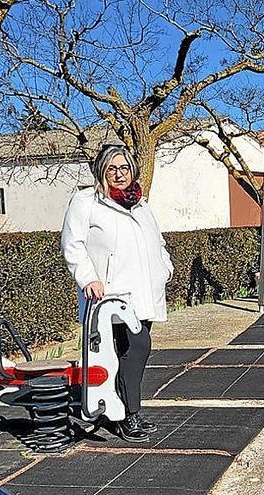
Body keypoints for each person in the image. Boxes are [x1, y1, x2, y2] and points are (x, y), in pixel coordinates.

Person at [60, 143, 173, 442]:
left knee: (133, 353)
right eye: (112, 169)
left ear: (132, 170)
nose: (119, 174)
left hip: (145, 293)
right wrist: (87, 278)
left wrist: (165, 268)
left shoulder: (141, 204)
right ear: (101, 171)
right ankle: (127, 416)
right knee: (135, 349)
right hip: (110, 296)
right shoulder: (86, 201)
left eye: (124, 168)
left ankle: (128, 412)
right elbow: (73, 244)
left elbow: (158, 243)